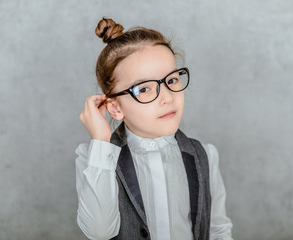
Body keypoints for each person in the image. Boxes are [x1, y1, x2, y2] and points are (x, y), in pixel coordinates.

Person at [75, 17, 233, 240]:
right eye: (145, 89)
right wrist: (101, 141)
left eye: (172, 80)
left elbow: (218, 230)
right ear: (115, 107)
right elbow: (99, 232)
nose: (168, 98)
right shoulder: (94, 159)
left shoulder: (205, 155)